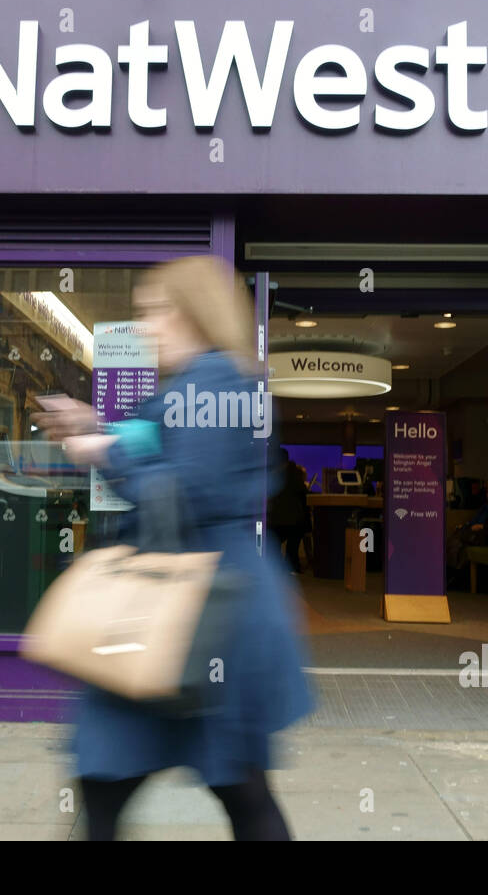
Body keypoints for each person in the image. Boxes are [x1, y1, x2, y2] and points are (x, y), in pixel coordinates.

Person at [34, 255, 315, 841]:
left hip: (201, 610)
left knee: (216, 784)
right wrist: (99, 428)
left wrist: (99, 451)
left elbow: (184, 491)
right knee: (217, 782)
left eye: (155, 311)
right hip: (194, 602)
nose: (146, 326)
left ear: (192, 314)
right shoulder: (204, 381)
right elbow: (164, 455)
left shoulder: (214, 380)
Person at [267, 447, 310, 572]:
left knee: (274, 545)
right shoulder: (295, 473)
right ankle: (292, 567)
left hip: (276, 519)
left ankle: (276, 567)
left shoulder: (272, 473)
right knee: (292, 547)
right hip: (295, 520)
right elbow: (303, 494)